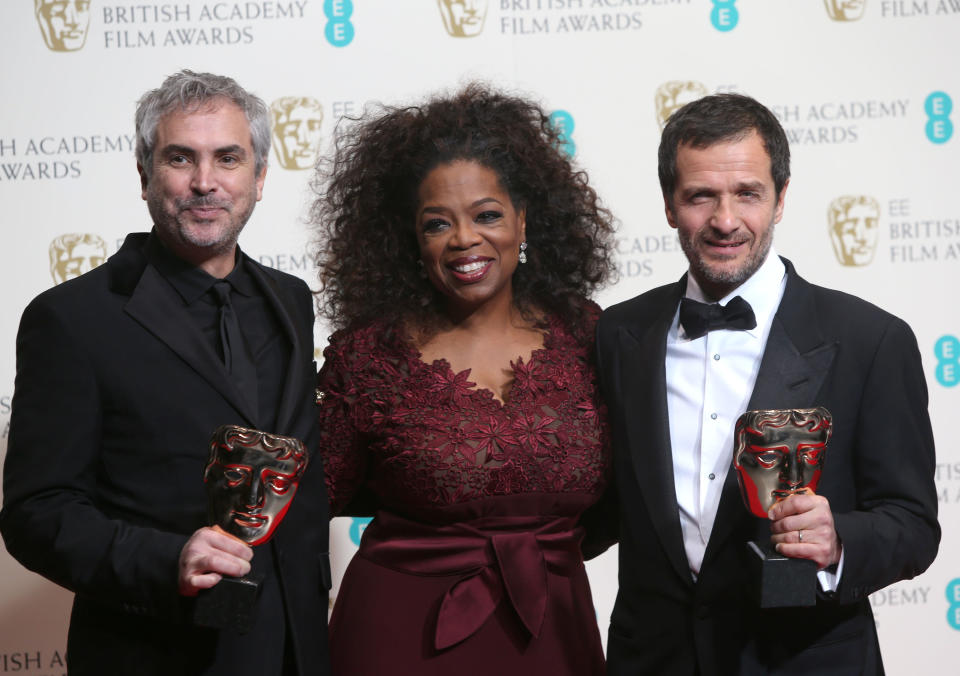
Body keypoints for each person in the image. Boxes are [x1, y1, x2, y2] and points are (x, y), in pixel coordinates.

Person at [0, 70, 330, 676]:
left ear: (258, 178)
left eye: (228, 158)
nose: (205, 183)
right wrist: (167, 560)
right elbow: (36, 512)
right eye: (180, 158)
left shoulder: (291, 301)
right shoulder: (71, 319)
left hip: (295, 647)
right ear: (144, 173)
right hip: (154, 651)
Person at [595, 93, 939, 675]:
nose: (725, 220)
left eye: (747, 194)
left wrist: (838, 542)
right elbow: (596, 505)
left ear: (781, 199)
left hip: (804, 660)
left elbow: (912, 524)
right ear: (669, 205)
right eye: (701, 196)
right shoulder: (619, 334)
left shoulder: (870, 339)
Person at [312, 83, 617, 675]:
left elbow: (630, 498)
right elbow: (309, 504)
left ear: (524, 221)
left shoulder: (591, 337)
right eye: (436, 224)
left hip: (555, 629)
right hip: (401, 635)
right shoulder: (369, 357)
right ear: (411, 242)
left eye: (487, 215)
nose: (464, 240)